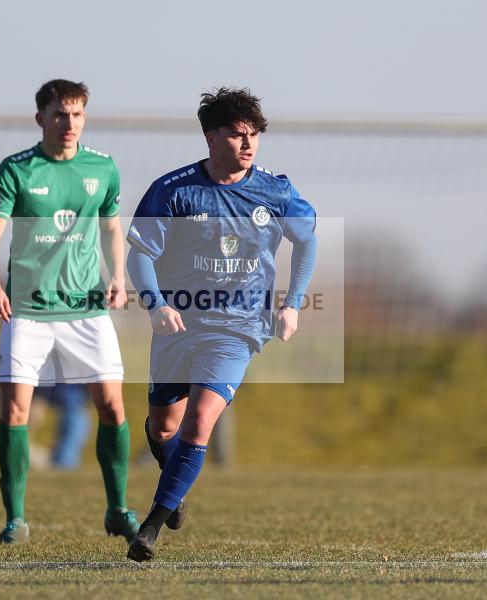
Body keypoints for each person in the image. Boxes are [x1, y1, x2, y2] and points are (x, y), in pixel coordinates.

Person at [124, 87, 317, 562]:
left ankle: (149, 527)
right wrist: (155, 305)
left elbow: (307, 241)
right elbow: (140, 256)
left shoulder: (275, 190)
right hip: (178, 324)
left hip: (239, 327)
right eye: (236, 134)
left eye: (253, 135)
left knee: (200, 420)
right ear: (211, 137)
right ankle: (175, 493)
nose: (247, 144)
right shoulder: (174, 190)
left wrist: (292, 304)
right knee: (160, 426)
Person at [0, 78, 139, 545]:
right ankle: (15, 519)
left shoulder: (103, 167)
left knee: (112, 405)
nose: (70, 123)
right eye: (61, 114)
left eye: (78, 114)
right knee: (15, 411)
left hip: (86, 309)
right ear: (41, 117)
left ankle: (117, 509)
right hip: (27, 310)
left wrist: (117, 276)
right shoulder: (16, 171)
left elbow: (111, 228)